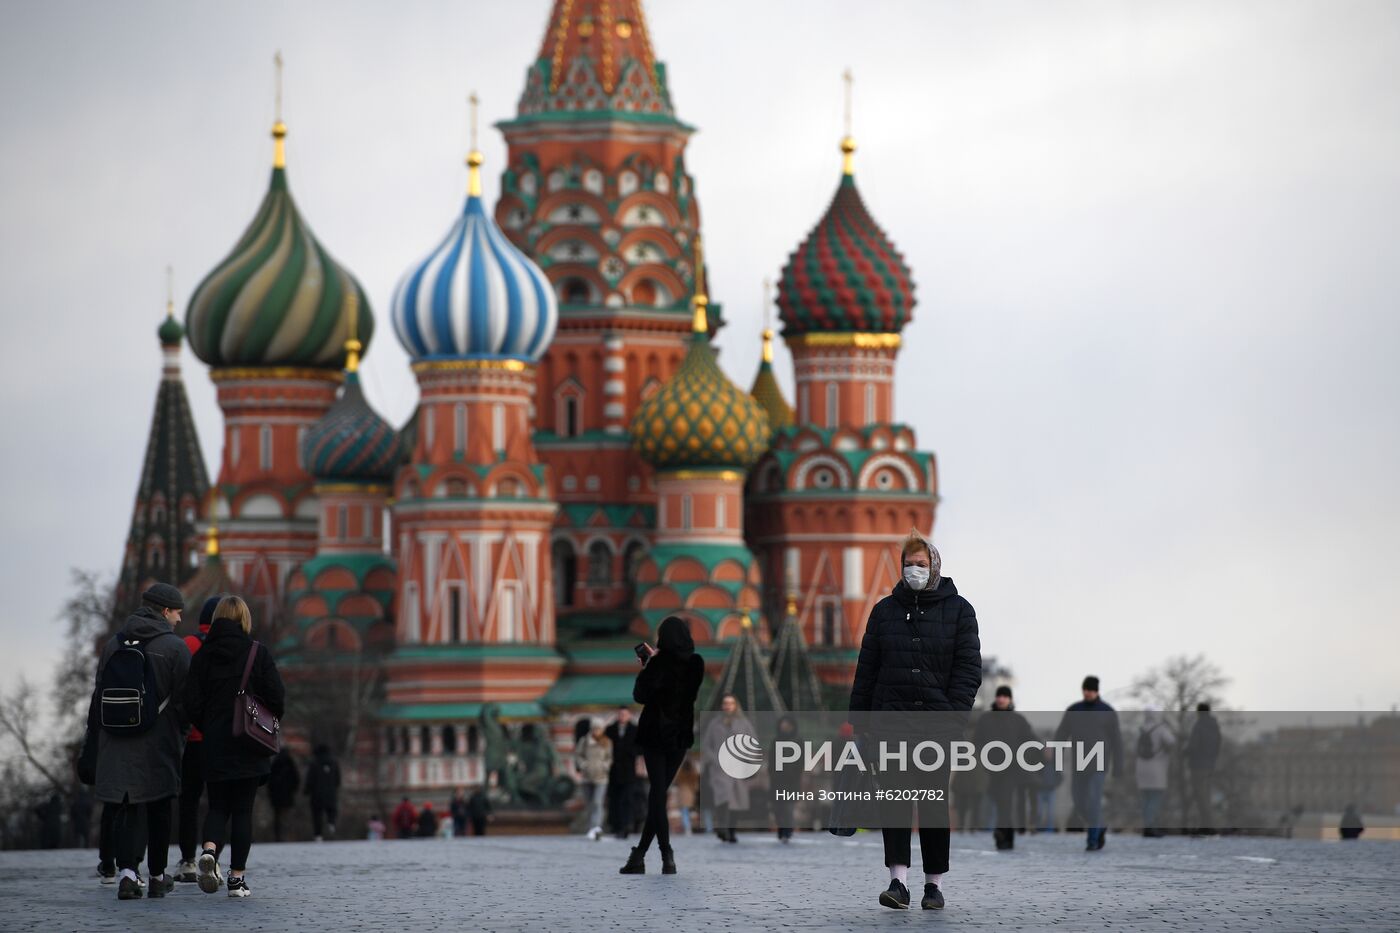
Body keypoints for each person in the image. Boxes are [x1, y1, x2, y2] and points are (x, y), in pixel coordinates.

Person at [850, 531, 982, 910]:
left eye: (921, 564)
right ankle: (898, 883)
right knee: (895, 801)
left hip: (937, 725)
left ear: (934, 566)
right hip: (890, 723)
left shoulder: (959, 611)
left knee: (932, 802)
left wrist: (953, 716)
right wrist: (859, 723)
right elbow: (867, 670)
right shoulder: (885, 611)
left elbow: (968, 670)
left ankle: (933, 885)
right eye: (909, 564)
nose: (914, 571)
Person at [92, 582, 191, 901]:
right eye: (177, 612)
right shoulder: (175, 647)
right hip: (159, 739)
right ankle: (158, 877)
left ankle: (127, 873)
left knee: (127, 806)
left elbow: (99, 692)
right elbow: (186, 700)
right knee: (160, 806)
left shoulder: (114, 644)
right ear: (165, 610)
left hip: (116, 739)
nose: (178, 619)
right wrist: (181, 733)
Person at [185, 595, 286, 898]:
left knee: (217, 806)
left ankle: (209, 851)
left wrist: (209, 725)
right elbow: (277, 697)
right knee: (243, 811)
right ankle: (236, 879)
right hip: (249, 743)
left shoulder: (203, 655)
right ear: (244, 619)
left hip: (214, 743)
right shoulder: (257, 652)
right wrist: (263, 720)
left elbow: (190, 702)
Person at [619, 616, 706, 875]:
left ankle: (666, 853)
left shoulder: (657, 664)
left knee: (657, 794)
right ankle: (639, 855)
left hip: (655, 734)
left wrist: (648, 666)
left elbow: (640, 696)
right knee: (659, 793)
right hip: (679, 735)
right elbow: (688, 691)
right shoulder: (696, 663)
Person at [174, 595, 218, 883]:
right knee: (219, 804)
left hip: (191, 738)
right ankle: (212, 858)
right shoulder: (233, 647)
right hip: (220, 739)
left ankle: (188, 860)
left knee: (188, 801)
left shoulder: (187, 645)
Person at [1053, 676, 1124, 852]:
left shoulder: (1107, 712)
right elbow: (1061, 735)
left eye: (1091, 690)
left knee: (1093, 801)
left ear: (1097, 691)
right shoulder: (1073, 710)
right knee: (1078, 802)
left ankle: (1092, 840)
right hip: (1079, 763)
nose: (1088, 693)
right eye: (1085, 690)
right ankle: (1098, 826)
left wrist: (1118, 766)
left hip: (1099, 764)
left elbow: (1117, 741)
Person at [973, 686, 1037, 850]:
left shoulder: (1018, 720)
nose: (1001, 699)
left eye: (1005, 696)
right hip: (991, 769)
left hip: (1012, 768)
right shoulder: (985, 719)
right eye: (999, 696)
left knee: (1005, 802)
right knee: (1000, 802)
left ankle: (1002, 835)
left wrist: (1028, 756)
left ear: (1010, 699)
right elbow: (976, 741)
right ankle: (1006, 836)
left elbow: (1030, 740)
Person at [701, 694, 755, 845]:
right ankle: (723, 827)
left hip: (738, 767)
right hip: (719, 769)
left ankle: (731, 830)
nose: (728, 706)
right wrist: (715, 759)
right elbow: (707, 745)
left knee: (736, 801)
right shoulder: (714, 723)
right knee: (723, 798)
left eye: (731, 703)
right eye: (725, 703)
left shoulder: (744, 723)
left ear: (735, 705)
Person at [1135, 705, 1173, 837]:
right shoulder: (1161, 728)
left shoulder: (1140, 729)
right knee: (1155, 798)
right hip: (1157, 767)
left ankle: (1147, 825)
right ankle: (1152, 826)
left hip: (1141, 767)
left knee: (1145, 799)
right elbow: (1171, 742)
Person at [603, 706, 640, 840]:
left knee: (628, 799)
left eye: (625, 714)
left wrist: (631, 752)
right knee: (615, 799)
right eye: (620, 714)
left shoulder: (635, 730)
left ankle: (627, 825)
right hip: (613, 771)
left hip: (629, 771)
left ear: (629, 715)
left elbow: (641, 747)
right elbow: (604, 746)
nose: (622, 716)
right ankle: (616, 826)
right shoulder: (610, 730)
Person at [1186, 702, 1222, 835]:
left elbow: (1193, 745)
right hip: (1210, 765)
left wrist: (1185, 752)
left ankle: (1207, 826)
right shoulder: (1214, 726)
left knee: (1201, 797)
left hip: (1198, 765)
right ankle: (1206, 825)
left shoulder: (1199, 725)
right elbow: (1218, 744)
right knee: (1206, 796)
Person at [574, 721, 612, 840]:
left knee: (597, 802)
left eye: (599, 729)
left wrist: (604, 766)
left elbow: (609, 757)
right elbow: (578, 755)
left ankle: (597, 827)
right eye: (595, 728)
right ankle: (590, 827)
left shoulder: (607, 742)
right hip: (587, 777)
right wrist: (583, 765)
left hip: (601, 777)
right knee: (589, 803)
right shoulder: (584, 741)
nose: (597, 731)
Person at [770, 716, 801, 842]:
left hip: (791, 782)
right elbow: (772, 760)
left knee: (788, 808)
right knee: (777, 808)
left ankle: (787, 831)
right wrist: (772, 774)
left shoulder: (798, 741)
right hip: (777, 781)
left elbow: (801, 762)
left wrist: (795, 775)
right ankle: (781, 829)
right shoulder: (776, 741)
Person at [304, 744, 341, 841]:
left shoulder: (314, 763)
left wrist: (306, 790)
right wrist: (334, 788)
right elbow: (338, 779)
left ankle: (318, 835)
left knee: (317, 814)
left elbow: (310, 779)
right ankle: (331, 823)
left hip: (317, 794)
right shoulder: (334, 762)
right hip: (331, 793)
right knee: (331, 810)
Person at [267, 748, 300, 841]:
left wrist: (271, 794)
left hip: (276, 797)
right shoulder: (290, 763)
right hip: (288, 796)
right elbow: (296, 779)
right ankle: (289, 836)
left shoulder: (275, 764)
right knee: (288, 817)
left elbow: (270, 782)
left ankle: (278, 837)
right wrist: (293, 790)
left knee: (277, 818)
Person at [1034, 746, 1062, 832]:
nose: (1048, 754)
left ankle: (1050, 830)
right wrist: (1039, 783)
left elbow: (1060, 777)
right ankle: (1037, 829)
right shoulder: (1039, 763)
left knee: (1050, 813)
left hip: (1051, 791)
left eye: (1050, 752)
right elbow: (1035, 775)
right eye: (1046, 752)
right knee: (1039, 811)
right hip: (1040, 791)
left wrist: (1054, 784)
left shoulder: (1055, 764)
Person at [674, 756, 699, 835]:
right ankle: (688, 827)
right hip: (690, 794)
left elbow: (676, 781)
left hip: (682, 794)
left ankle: (687, 828)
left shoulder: (680, 773)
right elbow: (696, 785)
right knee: (688, 812)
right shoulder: (693, 773)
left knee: (684, 812)